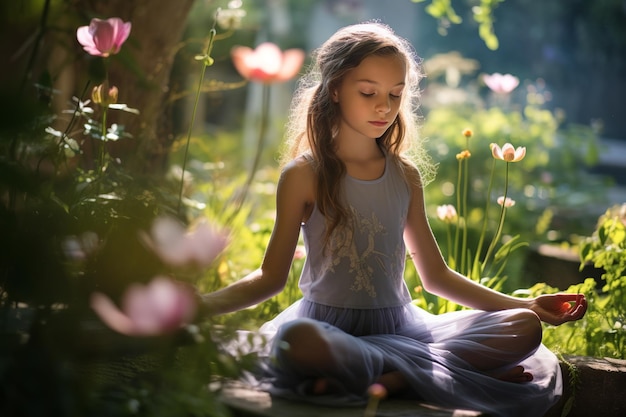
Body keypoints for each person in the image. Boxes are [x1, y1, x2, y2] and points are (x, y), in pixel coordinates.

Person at [199, 22, 587, 416]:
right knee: (298, 339)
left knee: (523, 327)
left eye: (395, 94)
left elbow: (437, 277)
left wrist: (528, 305)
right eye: (368, 92)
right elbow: (271, 278)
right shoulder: (303, 175)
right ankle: (432, 372)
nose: (384, 106)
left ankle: (394, 377)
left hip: (405, 330)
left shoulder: (404, 176)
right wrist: (200, 307)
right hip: (327, 331)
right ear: (334, 89)